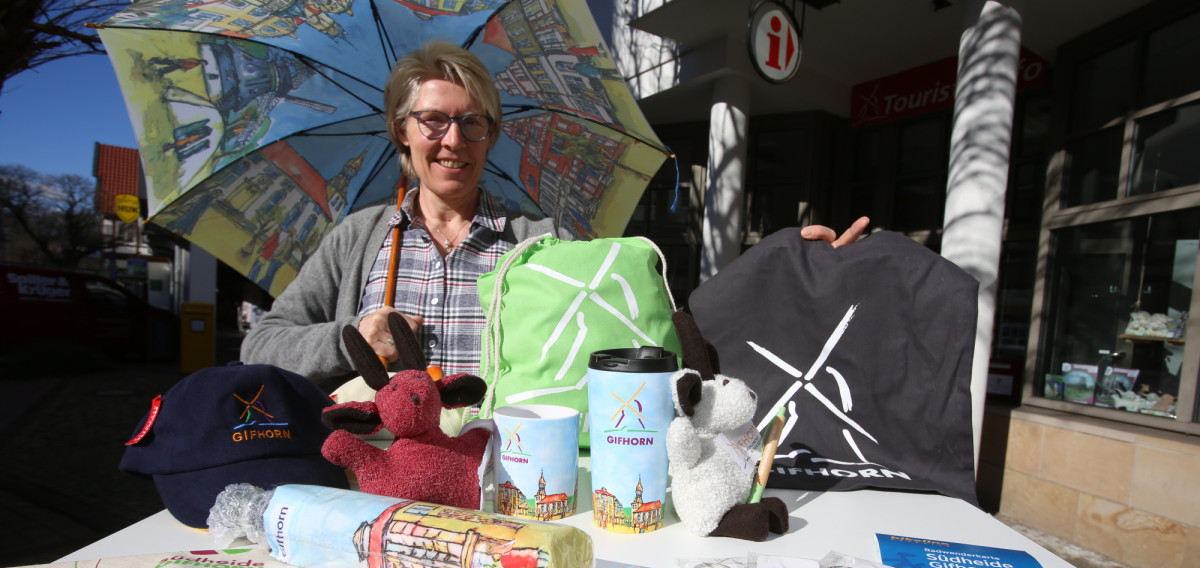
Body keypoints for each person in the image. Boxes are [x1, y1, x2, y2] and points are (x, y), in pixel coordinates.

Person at [242, 40, 868, 394]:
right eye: (433, 120)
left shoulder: (539, 243)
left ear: (491, 136)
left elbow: (645, 323)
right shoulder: (358, 240)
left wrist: (785, 271)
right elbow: (261, 344)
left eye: (472, 123)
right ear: (401, 131)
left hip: (507, 476)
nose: (453, 140)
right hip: (378, 473)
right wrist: (351, 337)